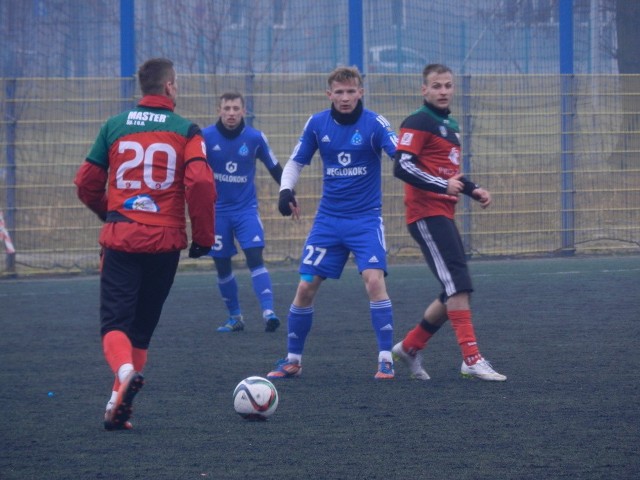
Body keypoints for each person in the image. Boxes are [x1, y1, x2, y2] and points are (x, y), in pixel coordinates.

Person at [74, 57, 217, 430]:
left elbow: (86, 183)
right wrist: (203, 238)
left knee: (115, 325)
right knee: (140, 331)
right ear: (170, 87)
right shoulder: (187, 130)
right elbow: (200, 184)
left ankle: (122, 375)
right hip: (166, 242)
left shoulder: (114, 126)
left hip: (123, 238)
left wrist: (114, 214)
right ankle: (115, 406)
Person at [266, 66, 398, 380]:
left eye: (351, 91)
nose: (345, 97)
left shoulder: (375, 124)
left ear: (360, 92)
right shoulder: (316, 124)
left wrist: (410, 164)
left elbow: (399, 155)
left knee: (374, 281)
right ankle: (292, 359)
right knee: (305, 286)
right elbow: (296, 162)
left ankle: (385, 359)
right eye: (339, 92)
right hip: (328, 223)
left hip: (365, 221)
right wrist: (286, 191)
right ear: (330, 95)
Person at [391, 63, 506, 381]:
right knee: (459, 284)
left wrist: (472, 189)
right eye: (436, 86)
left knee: (453, 288)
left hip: (443, 212)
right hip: (425, 214)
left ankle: (410, 347)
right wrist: (443, 187)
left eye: (447, 86)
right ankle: (471, 358)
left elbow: (446, 173)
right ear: (423, 90)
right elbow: (402, 166)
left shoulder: (449, 125)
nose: (443, 91)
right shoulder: (418, 121)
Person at [201, 92, 283, 333]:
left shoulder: (255, 138)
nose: (231, 113)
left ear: (244, 111)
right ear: (219, 110)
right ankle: (235, 316)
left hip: (246, 210)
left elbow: (274, 166)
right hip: (217, 213)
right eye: (227, 108)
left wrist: (289, 193)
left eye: (236, 108)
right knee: (222, 265)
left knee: (255, 257)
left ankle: (269, 312)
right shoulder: (205, 137)